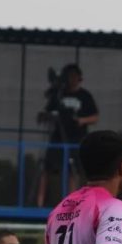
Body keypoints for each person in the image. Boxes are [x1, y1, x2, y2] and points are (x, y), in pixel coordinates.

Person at [36, 63, 100, 206]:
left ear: (79, 78)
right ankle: (39, 204)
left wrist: (81, 120)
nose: (71, 79)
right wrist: (47, 116)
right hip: (58, 138)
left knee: (73, 171)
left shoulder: (85, 96)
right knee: (47, 168)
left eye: (74, 76)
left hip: (76, 139)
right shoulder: (59, 94)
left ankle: (70, 206)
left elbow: (95, 117)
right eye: (69, 76)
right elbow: (48, 112)